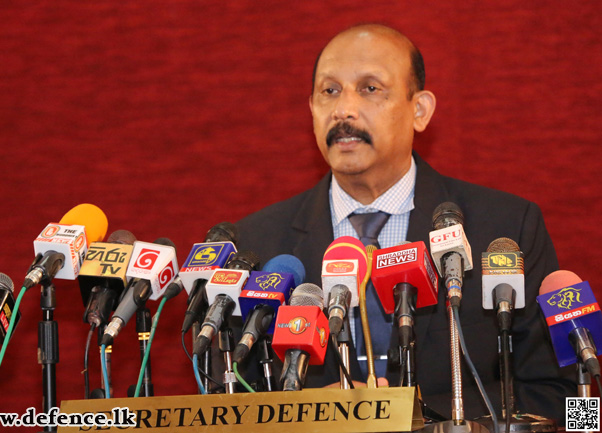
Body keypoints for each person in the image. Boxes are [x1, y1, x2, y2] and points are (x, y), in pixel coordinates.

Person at [235, 23, 575, 423]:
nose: (343, 109)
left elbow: (570, 398)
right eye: (329, 91)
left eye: (369, 88)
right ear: (311, 109)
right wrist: (314, 414)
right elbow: (231, 400)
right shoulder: (257, 243)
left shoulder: (506, 228)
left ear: (420, 110)